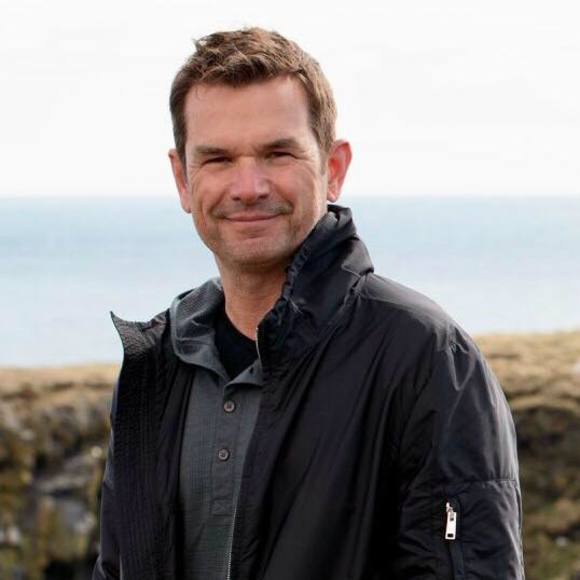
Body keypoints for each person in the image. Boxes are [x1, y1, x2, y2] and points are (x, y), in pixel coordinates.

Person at [92, 27, 524, 580]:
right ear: (182, 178)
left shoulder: (425, 358)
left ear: (333, 167)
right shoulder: (154, 367)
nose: (248, 186)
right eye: (218, 159)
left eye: (277, 153)